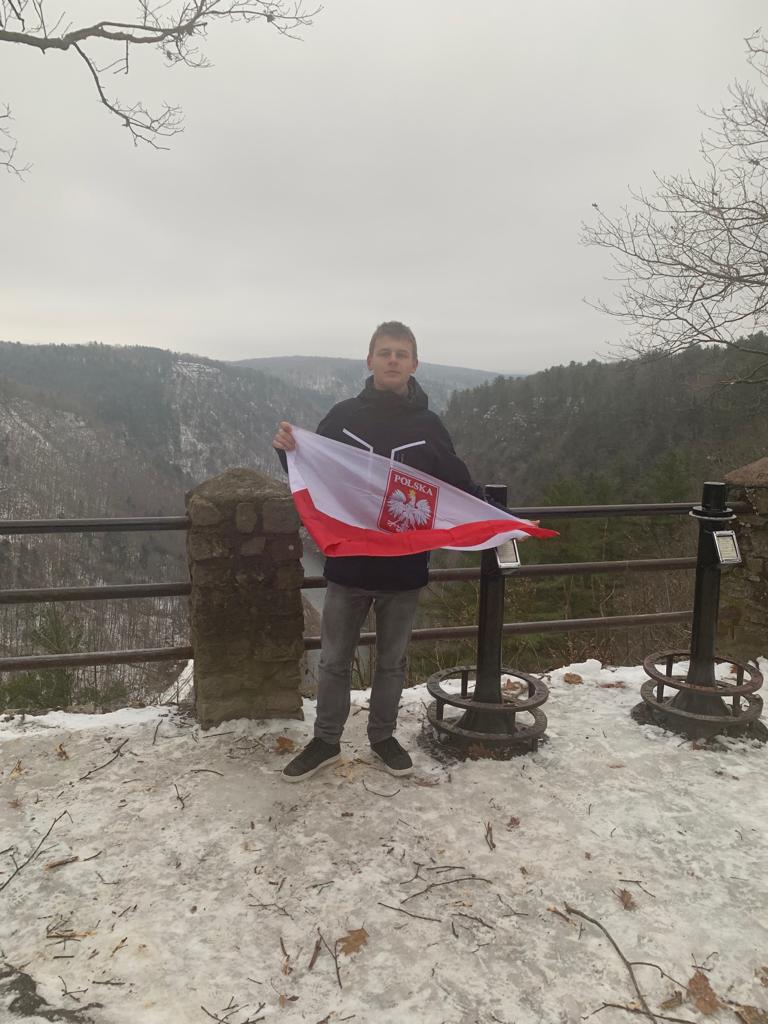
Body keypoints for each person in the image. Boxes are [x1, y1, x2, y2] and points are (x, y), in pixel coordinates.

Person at [272, 321, 489, 782]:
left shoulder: (429, 427)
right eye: (385, 352)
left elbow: (456, 484)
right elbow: (315, 470)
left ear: (414, 364)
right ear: (369, 360)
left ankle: (382, 737)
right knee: (333, 661)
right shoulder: (343, 417)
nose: (392, 360)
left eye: (401, 354)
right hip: (348, 566)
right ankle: (325, 741)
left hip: (404, 569)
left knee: (392, 664)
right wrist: (288, 452)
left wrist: (495, 515)